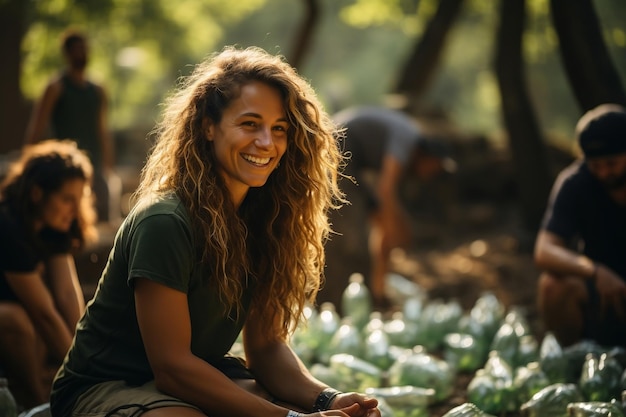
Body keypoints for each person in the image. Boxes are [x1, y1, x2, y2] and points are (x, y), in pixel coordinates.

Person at [50, 46, 380, 417]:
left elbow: (267, 348)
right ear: (208, 126)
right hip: (107, 386)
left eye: (279, 129)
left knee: (283, 401)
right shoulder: (165, 221)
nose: (267, 143)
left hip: (192, 377)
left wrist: (328, 400)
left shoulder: (266, 222)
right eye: (250, 124)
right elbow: (172, 369)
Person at [320, 106, 455, 310]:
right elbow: (385, 190)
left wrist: (389, 233)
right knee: (352, 242)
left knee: (376, 218)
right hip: (336, 149)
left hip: (353, 162)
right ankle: (338, 303)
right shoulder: (407, 140)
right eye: (434, 168)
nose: (431, 176)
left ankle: (376, 293)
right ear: (428, 156)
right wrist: (395, 232)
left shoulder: (401, 148)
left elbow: (382, 211)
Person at [0, 139, 97, 409]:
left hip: (29, 325)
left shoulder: (55, 225)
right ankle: (37, 402)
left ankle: (51, 386)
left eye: (79, 200)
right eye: (67, 199)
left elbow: (68, 293)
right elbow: (43, 314)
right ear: (36, 194)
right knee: (17, 319)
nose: (75, 209)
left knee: (50, 325)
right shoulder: (7, 226)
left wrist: (84, 356)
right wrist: (83, 374)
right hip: (12, 320)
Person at [534, 103, 626, 348]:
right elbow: (545, 250)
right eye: (596, 165)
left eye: (612, 163)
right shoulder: (575, 183)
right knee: (552, 286)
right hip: (605, 294)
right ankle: (575, 363)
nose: (604, 173)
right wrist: (594, 271)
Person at [24, 28, 121, 225]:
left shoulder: (97, 90)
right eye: (77, 49)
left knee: (104, 218)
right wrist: (28, 164)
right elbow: (37, 129)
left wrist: (108, 164)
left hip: (95, 165)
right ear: (67, 54)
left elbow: (102, 129)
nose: (82, 53)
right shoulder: (56, 87)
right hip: (66, 168)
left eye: (84, 48)